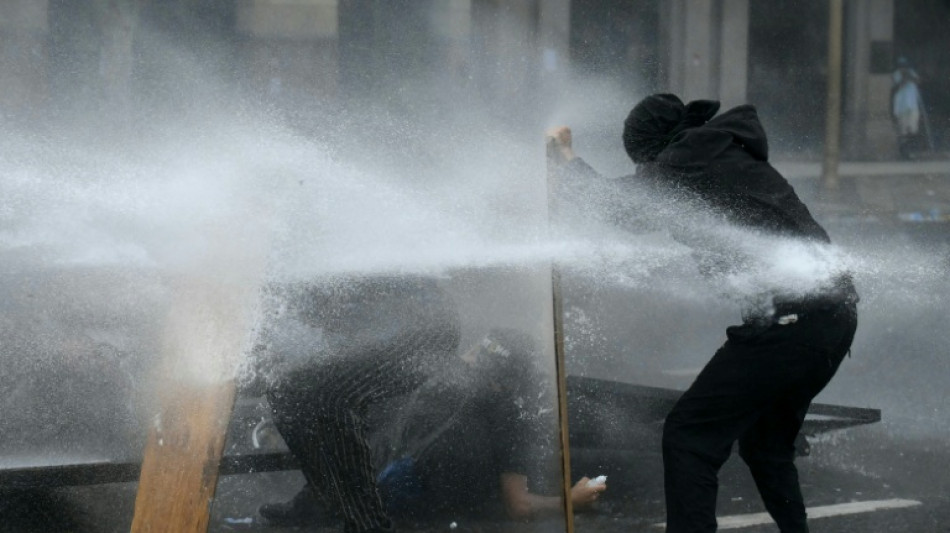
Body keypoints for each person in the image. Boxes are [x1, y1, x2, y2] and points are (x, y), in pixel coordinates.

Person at [547, 93, 859, 533]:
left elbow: (620, 207)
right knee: (765, 445)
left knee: (689, 436)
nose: (642, 173)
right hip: (831, 319)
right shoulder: (714, 151)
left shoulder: (688, 157)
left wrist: (566, 160)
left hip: (795, 322)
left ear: (652, 148)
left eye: (641, 162)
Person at [259, 328, 607, 529]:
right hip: (404, 514)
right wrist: (569, 502)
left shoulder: (428, 385)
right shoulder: (503, 414)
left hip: (348, 502)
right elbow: (520, 506)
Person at [256, 275, 461, 533]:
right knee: (284, 389)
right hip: (378, 334)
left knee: (336, 401)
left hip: (423, 329)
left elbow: (347, 307)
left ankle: (369, 524)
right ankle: (323, 496)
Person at [891, 56, 924, 159]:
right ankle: (904, 153)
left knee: (913, 129)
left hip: (912, 105)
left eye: (904, 66)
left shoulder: (911, 72)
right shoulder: (896, 74)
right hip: (902, 107)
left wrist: (911, 75)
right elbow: (899, 83)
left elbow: (918, 81)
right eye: (901, 66)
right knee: (903, 131)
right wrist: (905, 76)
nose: (903, 68)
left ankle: (911, 151)